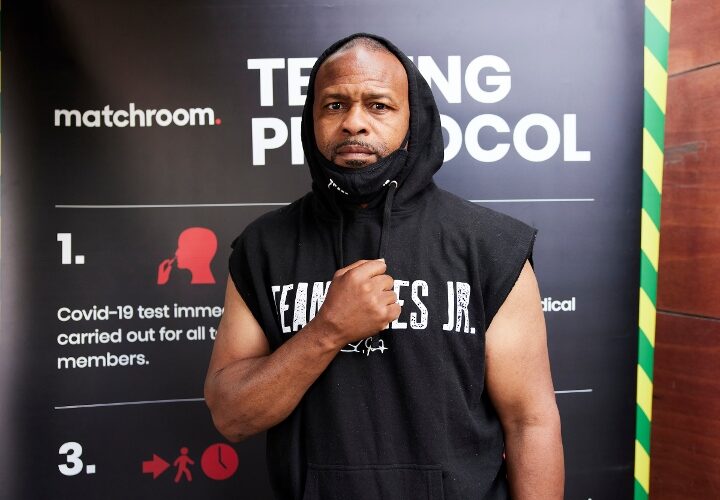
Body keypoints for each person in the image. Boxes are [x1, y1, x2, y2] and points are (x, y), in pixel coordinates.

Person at [205, 33, 563, 499]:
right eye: (334, 105)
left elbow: (530, 421)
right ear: (312, 120)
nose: (353, 122)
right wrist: (327, 331)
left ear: (414, 120)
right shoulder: (263, 247)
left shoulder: (490, 245)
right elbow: (231, 417)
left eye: (378, 105)